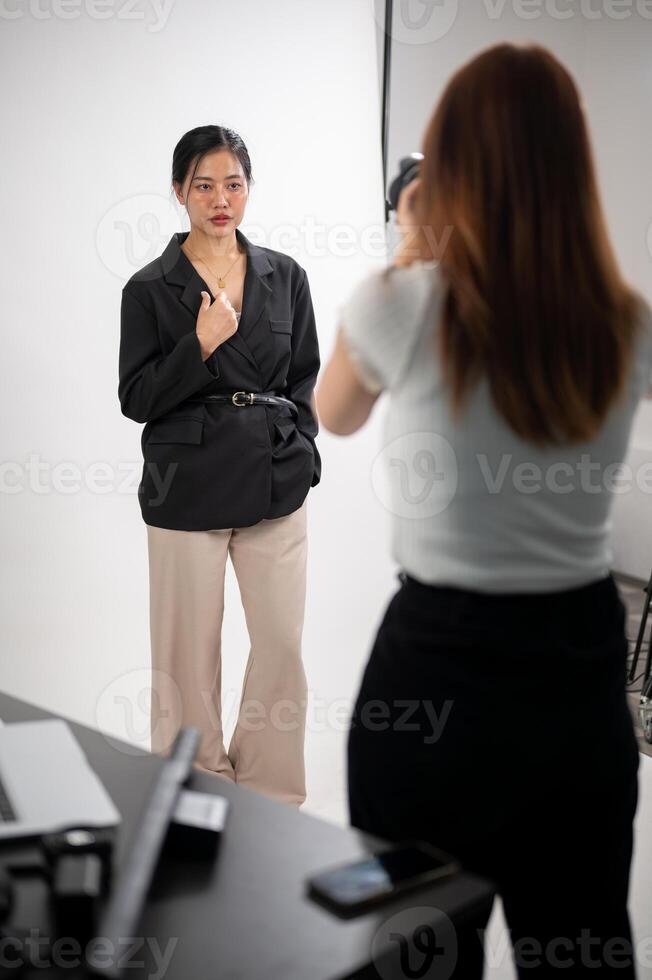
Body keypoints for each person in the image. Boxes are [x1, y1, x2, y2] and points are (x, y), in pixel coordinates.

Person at [317, 43, 651, 977]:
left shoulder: (399, 302)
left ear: (448, 167)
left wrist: (418, 246)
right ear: (571, 168)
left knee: (416, 957)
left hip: (432, 681)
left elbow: (332, 416)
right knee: (579, 952)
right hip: (576, 680)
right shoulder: (626, 323)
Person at [118, 125, 321, 807]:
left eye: (233, 183)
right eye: (204, 184)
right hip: (187, 486)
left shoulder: (285, 274)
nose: (220, 198)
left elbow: (304, 379)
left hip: (275, 479)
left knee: (280, 651)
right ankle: (193, 788)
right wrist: (198, 347)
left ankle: (270, 795)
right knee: (186, 661)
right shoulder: (149, 287)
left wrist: (305, 452)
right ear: (180, 192)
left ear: (248, 188)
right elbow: (137, 398)